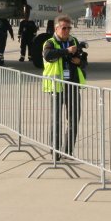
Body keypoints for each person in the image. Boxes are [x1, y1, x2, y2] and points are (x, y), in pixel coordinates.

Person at [42, 14, 87, 157]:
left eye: (69, 28)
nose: (67, 31)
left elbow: (84, 60)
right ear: (56, 29)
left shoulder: (73, 41)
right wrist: (67, 51)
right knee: (56, 120)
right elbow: (48, 55)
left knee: (74, 119)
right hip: (57, 87)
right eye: (64, 28)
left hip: (72, 85)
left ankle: (67, 151)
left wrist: (79, 62)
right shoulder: (50, 42)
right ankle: (55, 151)